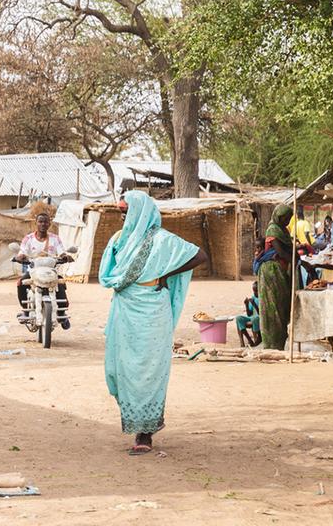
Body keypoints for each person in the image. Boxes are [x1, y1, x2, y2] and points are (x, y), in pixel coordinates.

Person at [99, 191, 208, 456]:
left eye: (126, 210)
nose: (122, 214)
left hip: (152, 314)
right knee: (119, 369)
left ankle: (144, 433)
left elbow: (200, 255)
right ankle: (135, 419)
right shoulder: (119, 239)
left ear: (141, 211)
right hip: (124, 311)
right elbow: (107, 274)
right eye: (120, 210)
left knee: (147, 372)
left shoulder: (161, 240)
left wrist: (164, 274)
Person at [15, 212, 71, 328]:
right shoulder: (28, 239)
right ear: (36, 223)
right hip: (33, 271)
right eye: (40, 221)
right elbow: (22, 251)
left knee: (61, 285)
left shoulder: (55, 239)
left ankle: (62, 313)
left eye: (45, 222)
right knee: (21, 283)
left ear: (49, 223)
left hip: (51, 271)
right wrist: (20, 256)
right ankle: (26, 310)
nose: (43, 224)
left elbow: (61, 251)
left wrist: (65, 256)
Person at [258, 204, 295, 350]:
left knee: (282, 306)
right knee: (273, 308)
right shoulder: (273, 229)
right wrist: (299, 262)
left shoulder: (283, 231)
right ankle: (271, 344)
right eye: (286, 218)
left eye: (290, 218)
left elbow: (290, 250)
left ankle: (279, 343)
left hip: (280, 271)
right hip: (271, 273)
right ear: (279, 217)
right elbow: (281, 252)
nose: (288, 221)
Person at [235, 283, 261, 347]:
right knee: (239, 318)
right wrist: (246, 304)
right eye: (254, 291)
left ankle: (257, 339)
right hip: (252, 317)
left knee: (255, 318)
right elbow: (249, 314)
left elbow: (260, 313)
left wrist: (254, 304)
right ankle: (250, 340)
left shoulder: (262, 298)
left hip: (259, 317)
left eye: (256, 291)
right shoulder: (253, 298)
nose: (255, 293)